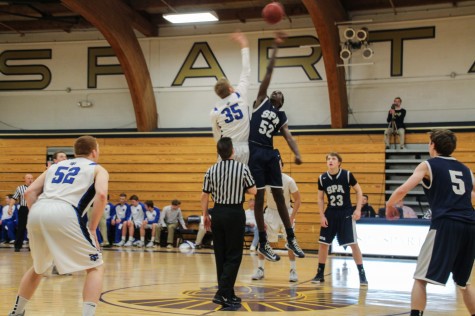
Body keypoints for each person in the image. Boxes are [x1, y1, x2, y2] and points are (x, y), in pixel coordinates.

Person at [8, 135, 109, 316]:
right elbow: (102, 195)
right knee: (95, 267)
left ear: (75, 152)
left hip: (38, 210)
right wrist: (93, 228)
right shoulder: (98, 169)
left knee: (38, 268)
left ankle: (16, 312)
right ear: (94, 151)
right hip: (66, 211)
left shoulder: (55, 166)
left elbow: (30, 192)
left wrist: (37, 216)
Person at [386, 129, 475, 316]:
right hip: (470, 225)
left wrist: (389, 204)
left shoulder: (428, 165)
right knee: (463, 283)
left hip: (445, 225)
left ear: (433, 145)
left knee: (420, 277)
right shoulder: (466, 170)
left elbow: (403, 189)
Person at [248, 31, 304, 262]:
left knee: (280, 196)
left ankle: (290, 237)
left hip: (270, 152)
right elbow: (268, 75)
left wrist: (297, 153)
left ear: (281, 102)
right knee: (260, 198)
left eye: (280, 94)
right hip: (255, 150)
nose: (277, 91)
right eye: (276, 91)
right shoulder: (261, 100)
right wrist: (276, 48)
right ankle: (263, 242)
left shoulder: (281, 115)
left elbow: (289, 137)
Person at [201, 137, 256, 310]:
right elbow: (253, 190)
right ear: (233, 150)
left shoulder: (211, 170)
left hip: (217, 212)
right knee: (234, 255)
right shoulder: (242, 168)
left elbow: (204, 195)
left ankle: (228, 293)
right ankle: (222, 293)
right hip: (234, 213)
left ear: (218, 152)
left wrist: (205, 215)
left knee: (221, 254)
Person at [312, 152, 368, 286]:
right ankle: (320, 273)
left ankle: (362, 274)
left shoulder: (347, 175)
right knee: (323, 244)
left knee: (353, 244)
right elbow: (320, 198)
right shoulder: (322, 178)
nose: (330, 161)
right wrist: (322, 215)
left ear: (339, 163)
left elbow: (359, 191)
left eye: (333, 159)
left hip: (345, 213)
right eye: (328, 159)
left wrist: (358, 209)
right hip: (330, 213)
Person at [252, 158, 301, 282]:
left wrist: (292, 216)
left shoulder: (289, 180)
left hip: (286, 211)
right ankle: (260, 269)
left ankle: (293, 270)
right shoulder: (265, 180)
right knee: (263, 242)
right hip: (270, 212)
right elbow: (259, 200)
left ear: (281, 166)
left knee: (291, 243)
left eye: (277, 164)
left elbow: (298, 200)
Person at [211, 31, 250, 164]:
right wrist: (244, 44)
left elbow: (217, 137)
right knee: (243, 182)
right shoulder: (240, 95)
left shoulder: (215, 111)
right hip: (244, 148)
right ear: (230, 89)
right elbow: (246, 71)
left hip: (226, 149)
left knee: (225, 183)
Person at [9, 173, 34, 252]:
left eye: (31, 178)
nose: (30, 180)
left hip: (33, 209)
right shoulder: (20, 188)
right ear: (25, 179)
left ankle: (32, 246)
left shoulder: (35, 187)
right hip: (23, 209)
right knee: (21, 228)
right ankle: (17, 246)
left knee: (32, 228)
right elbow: (14, 198)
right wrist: (10, 208)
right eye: (28, 178)